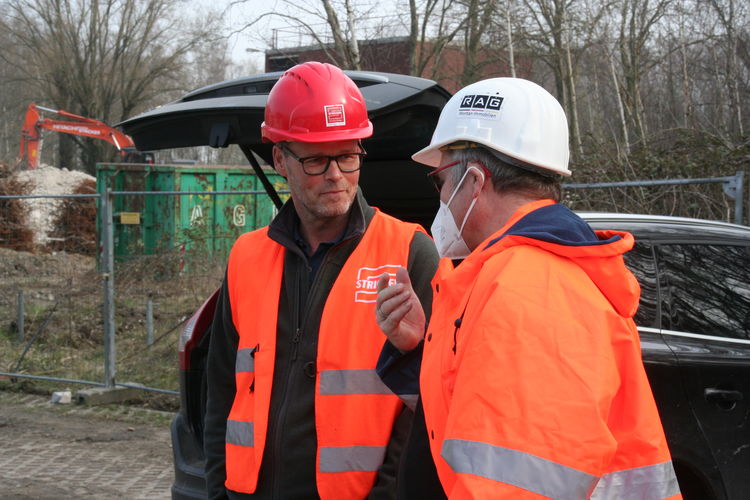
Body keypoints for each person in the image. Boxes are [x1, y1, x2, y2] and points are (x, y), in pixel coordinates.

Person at [375, 77, 682, 499]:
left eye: (440, 180)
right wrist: (416, 349)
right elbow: (462, 425)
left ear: (475, 182)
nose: (441, 195)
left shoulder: (530, 289)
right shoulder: (516, 274)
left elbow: (513, 482)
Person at [203, 61, 439, 500]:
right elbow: (220, 394)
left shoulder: (409, 254)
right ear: (279, 159)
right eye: (315, 159)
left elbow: (427, 403)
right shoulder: (246, 257)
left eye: (348, 156)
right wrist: (218, 491)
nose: (335, 175)